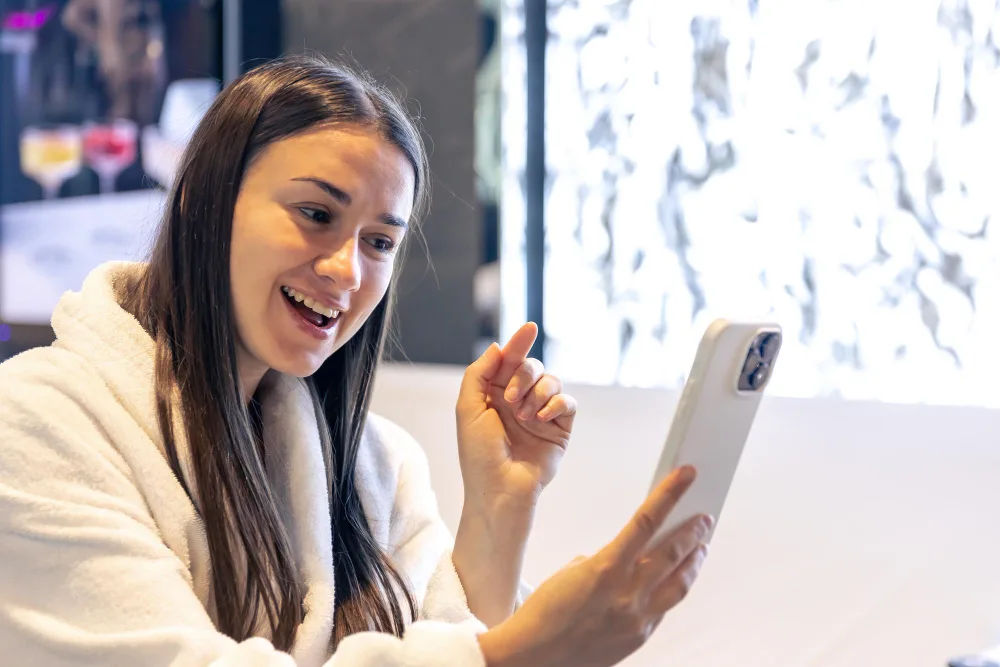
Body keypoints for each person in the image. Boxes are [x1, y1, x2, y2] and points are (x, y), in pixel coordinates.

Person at [0, 55, 712, 666]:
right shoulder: (34, 424)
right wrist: (522, 653)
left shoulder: (376, 465)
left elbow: (449, 636)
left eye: (379, 242)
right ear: (198, 201)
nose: (347, 270)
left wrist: (500, 506)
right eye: (316, 214)